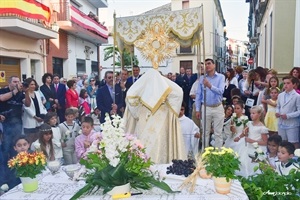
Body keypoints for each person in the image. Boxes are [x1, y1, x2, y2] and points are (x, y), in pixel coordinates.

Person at [195, 58, 225, 148]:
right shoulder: (202, 78)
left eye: (209, 63)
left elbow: (221, 91)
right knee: (205, 132)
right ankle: (205, 152)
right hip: (206, 107)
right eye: (205, 64)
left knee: (218, 132)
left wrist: (210, 86)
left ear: (214, 65)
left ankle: (218, 153)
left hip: (218, 106)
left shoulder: (221, 77)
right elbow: (198, 94)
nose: (207, 66)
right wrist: (197, 109)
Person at [235, 105, 268, 177]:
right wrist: (239, 137)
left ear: (259, 114)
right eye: (251, 113)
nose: (251, 115)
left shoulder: (262, 128)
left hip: (256, 148)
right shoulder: (249, 123)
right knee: (242, 161)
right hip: (247, 146)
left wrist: (251, 141)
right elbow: (245, 133)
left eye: (253, 113)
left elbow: (265, 142)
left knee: (252, 164)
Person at [276, 76, 300, 149]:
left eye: (288, 83)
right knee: (283, 141)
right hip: (281, 122)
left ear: (294, 84)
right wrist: (277, 112)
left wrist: (288, 115)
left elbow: (299, 111)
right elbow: (278, 106)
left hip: (292, 123)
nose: (285, 85)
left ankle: (295, 158)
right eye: (284, 83)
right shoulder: (280, 95)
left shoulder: (297, 96)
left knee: (293, 142)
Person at [22, 78, 47, 144]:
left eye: (34, 84)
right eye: (31, 84)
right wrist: (35, 117)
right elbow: (26, 107)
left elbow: (41, 105)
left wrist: (45, 115)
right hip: (30, 120)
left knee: (38, 141)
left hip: (40, 120)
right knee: (29, 140)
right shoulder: (24, 94)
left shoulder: (37, 93)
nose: (33, 86)